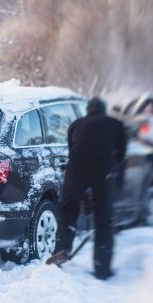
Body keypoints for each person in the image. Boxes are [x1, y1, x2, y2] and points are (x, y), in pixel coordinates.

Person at [46, 97, 127, 280]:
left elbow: (74, 149)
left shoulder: (76, 124)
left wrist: (83, 197)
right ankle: (102, 268)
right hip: (103, 171)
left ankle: (62, 249)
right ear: (104, 110)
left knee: (68, 209)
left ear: (88, 110)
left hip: (75, 170)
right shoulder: (115, 124)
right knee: (103, 220)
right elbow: (120, 156)